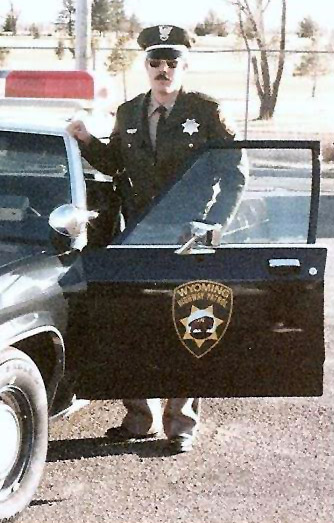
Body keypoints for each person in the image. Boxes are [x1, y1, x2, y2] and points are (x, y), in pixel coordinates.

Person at [66, 24, 247, 454]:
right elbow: (115, 164)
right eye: (155, 62)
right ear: (145, 65)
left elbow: (234, 174)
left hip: (188, 237)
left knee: (188, 325)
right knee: (135, 324)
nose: (163, 70)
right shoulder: (129, 113)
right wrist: (87, 140)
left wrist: (216, 224)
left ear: (185, 65)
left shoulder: (206, 111)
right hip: (139, 235)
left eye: (172, 62)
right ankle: (138, 416)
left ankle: (181, 423)